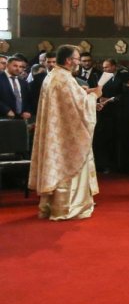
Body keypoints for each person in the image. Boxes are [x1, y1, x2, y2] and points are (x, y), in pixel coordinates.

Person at [28, 45, 100, 220]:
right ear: (68, 60)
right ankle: (68, 208)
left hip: (57, 132)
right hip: (67, 136)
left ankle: (50, 205)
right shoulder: (65, 79)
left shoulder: (54, 75)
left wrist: (83, 92)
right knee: (68, 165)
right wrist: (94, 95)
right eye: (76, 59)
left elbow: (69, 101)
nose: (78, 63)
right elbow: (80, 109)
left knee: (56, 165)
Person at [92, 59, 123, 174]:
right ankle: (103, 164)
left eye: (107, 67)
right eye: (103, 68)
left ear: (114, 67)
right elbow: (99, 91)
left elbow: (124, 94)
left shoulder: (121, 77)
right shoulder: (102, 78)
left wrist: (110, 99)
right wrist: (101, 98)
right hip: (104, 114)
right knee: (102, 140)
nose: (105, 70)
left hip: (117, 113)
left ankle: (114, 165)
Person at [1, 54, 31, 120]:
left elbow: (28, 99)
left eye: (21, 67)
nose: (18, 69)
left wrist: (27, 111)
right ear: (7, 65)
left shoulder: (23, 82)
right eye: (15, 66)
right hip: (3, 118)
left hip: (20, 119)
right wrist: (6, 110)